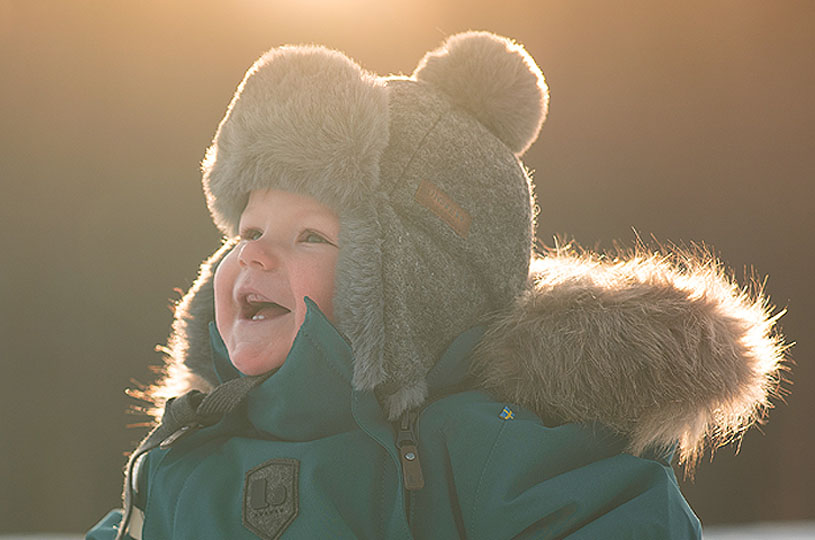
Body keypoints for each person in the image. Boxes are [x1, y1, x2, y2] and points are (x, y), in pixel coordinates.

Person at [86, 31, 785, 539]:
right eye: (247, 230)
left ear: (416, 288)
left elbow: (623, 519)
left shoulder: (482, 445)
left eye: (311, 237)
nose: (254, 256)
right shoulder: (187, 456)